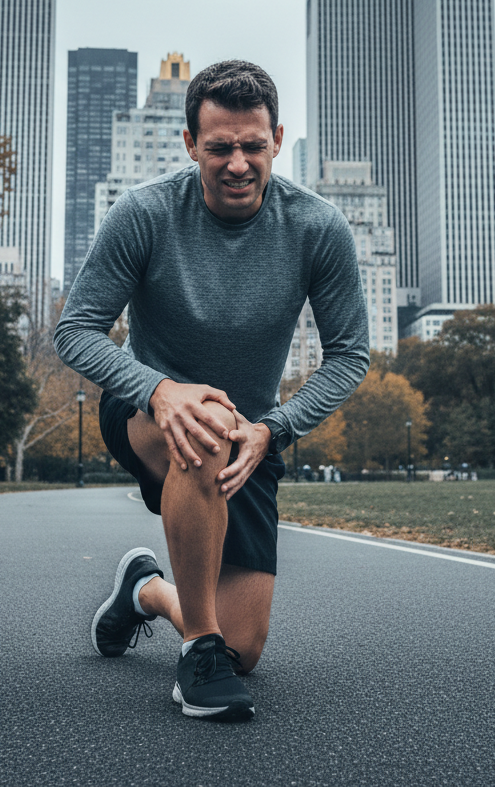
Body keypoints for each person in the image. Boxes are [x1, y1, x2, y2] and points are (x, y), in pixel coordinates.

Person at [54, 60, 369, 722]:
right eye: (220, 146)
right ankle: (196, 651)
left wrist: (273, 427)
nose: (237, 163)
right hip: (146, 412)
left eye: (252, 145)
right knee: (206, 421)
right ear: (190, 143)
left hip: (249, 438)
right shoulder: (144, 214)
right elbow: (77, 330)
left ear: (277, 139)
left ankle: (146, 592)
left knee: (246, 649)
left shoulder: (317, 229)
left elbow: (348, 357)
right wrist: (159, 391)